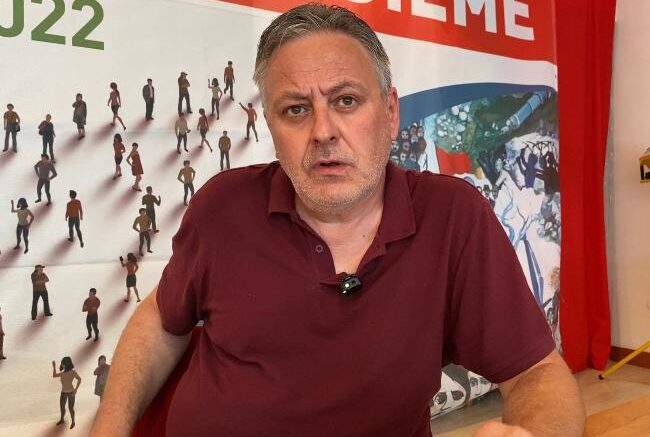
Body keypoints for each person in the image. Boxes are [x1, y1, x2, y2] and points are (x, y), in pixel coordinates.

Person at [91, 5, 584, 437]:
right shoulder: (222, 206)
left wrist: (532, 432)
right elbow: (162, 318)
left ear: (390, 112)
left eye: (346, 100)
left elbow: (537, 372)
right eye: (295, 109)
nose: (323, 131)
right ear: (271, 127)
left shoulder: (453, 217)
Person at [52, 356, 81, 429]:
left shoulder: (73, 372)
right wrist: (54, 366)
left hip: (71, 392)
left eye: (63, 363)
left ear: (67, 364)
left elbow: (79, 379)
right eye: (62, 363)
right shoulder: (62, 373)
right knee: (62, 407)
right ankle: (62, 419)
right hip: (63, 392)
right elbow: (54, 375)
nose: (62, 365)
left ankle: (73, 422)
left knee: (71, 408)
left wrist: (76, 390)